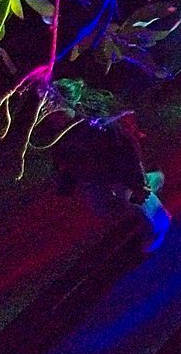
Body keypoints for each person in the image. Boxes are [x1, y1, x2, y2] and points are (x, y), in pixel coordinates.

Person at [49, 81, 170, 253]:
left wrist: (137, 182)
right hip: (95, 177)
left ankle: (159, 221)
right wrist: (66, 181)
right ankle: (153, 180)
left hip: (120, 172)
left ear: (73, 103)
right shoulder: (59, 134)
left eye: (57, 106)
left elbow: (129, 149)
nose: (52, 113)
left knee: (133, 198)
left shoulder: (99, 125)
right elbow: (63, 160)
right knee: (104, 209)